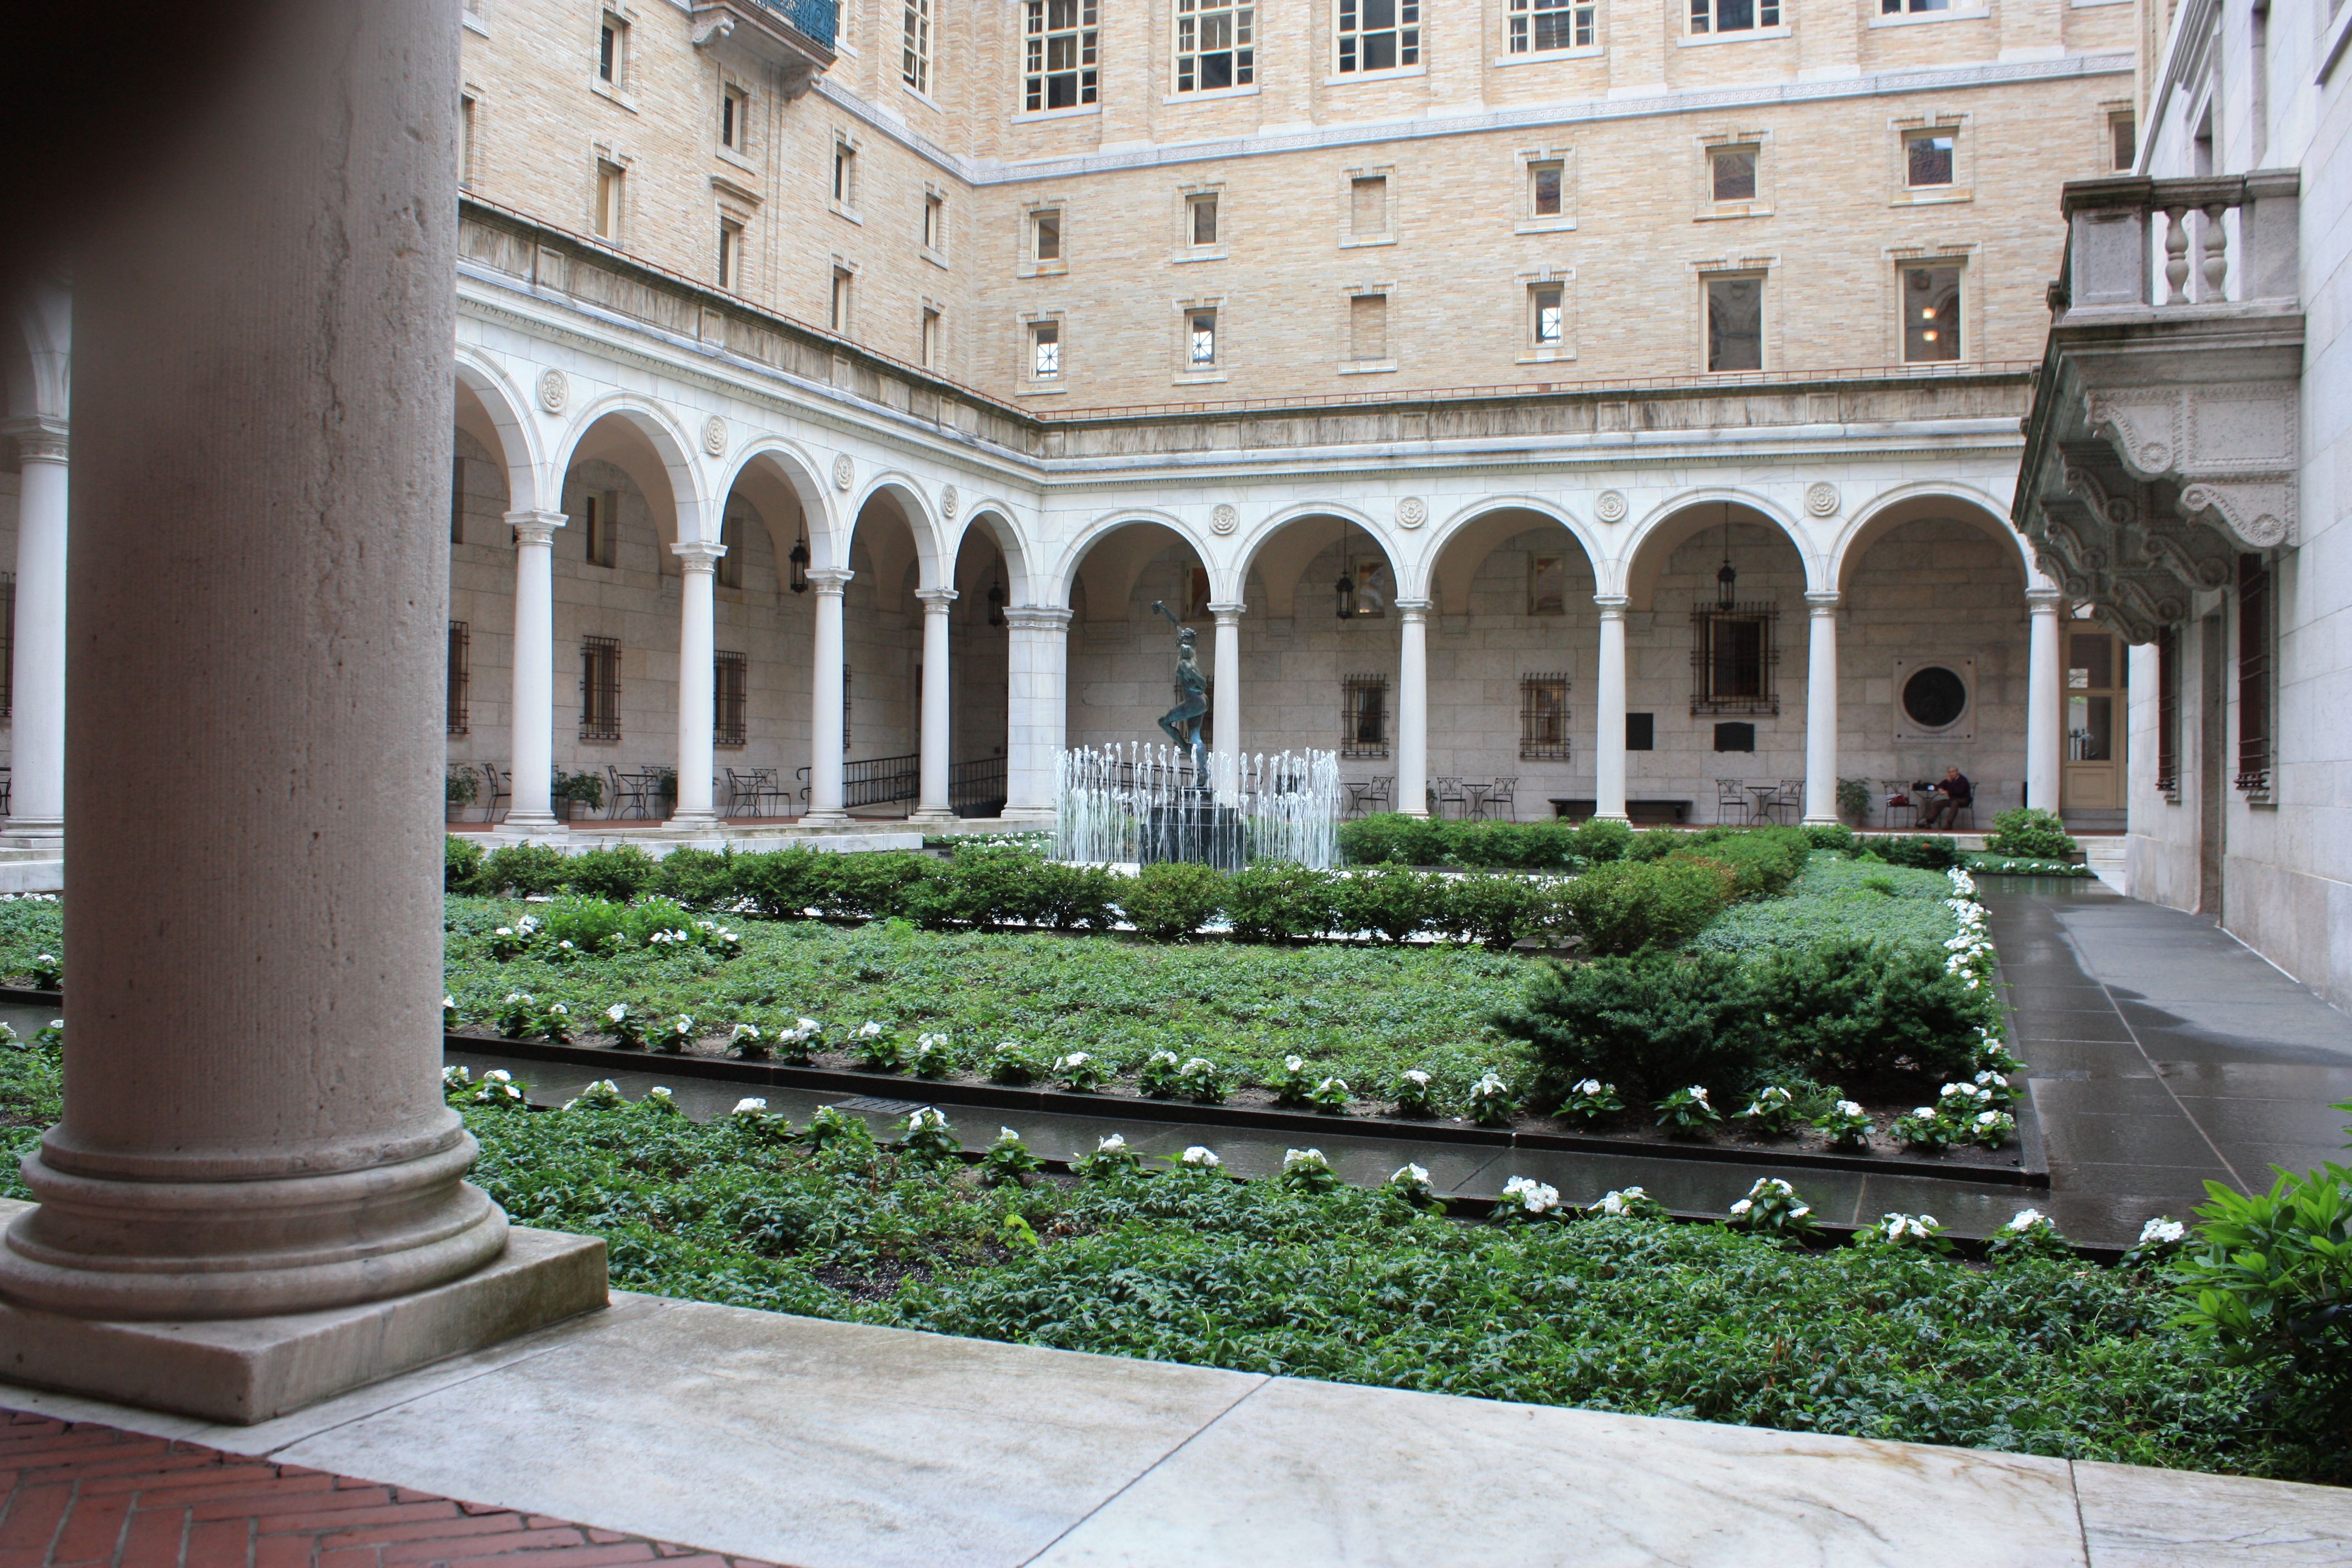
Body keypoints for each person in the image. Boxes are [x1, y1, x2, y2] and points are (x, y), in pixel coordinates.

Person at [1919, 766, 1973, 830]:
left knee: (1955, 803)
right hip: (1953, 800)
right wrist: (1940, 789)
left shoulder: (1963, 780)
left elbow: (1958, 792)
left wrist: (1950, 783)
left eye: (1953, 772)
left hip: (1964, 800)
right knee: (1938, 803)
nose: (1951, 774)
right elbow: (1938, 786)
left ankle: (1949, 824)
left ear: (1957, 772)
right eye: (1949, 772)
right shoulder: (1948, 780)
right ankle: (1928, 822)